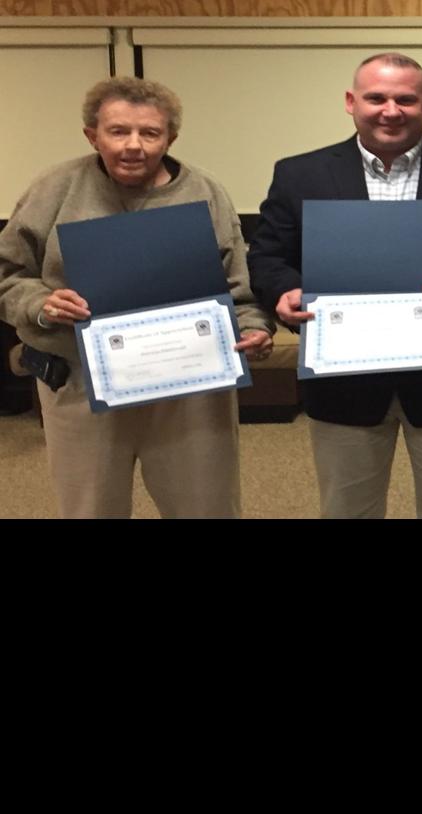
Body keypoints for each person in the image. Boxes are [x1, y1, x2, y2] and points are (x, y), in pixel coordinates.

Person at [248, 52, 422, 519]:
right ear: (351, 102)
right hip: (343, 380)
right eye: (376, 98)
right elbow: (267, 255)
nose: (390, 110)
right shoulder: (299, 174)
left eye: (405, 99)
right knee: (347, 509)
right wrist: (285, 292)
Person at [0, 77, 273, 518]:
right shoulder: (54, 188)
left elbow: (238, 286)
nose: (134, 146)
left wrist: (254, 328)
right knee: (90, 509)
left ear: (170, 137)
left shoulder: (205, 192)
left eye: (150, 133)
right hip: (81, 382)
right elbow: (8, 274)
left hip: (192, 384)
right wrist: (41, 305)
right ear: (92, 135)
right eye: (118, 131)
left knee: (207, 508)